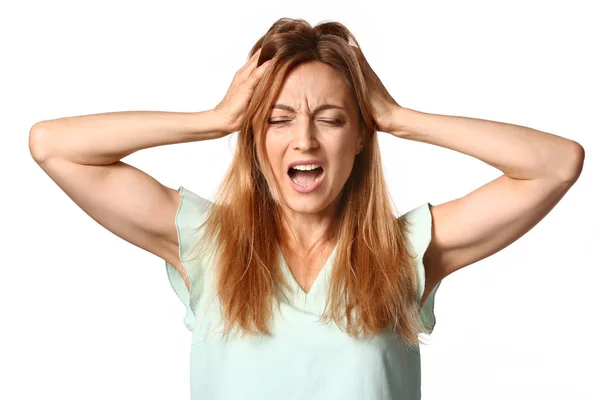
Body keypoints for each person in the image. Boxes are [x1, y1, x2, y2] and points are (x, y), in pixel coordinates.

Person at [29, 17, 584, 400]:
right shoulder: (205, 241)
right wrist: (214, 119)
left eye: (332, 118)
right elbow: (54, 146)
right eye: (278, 118)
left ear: (361, 138)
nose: (305, 140)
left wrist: (396, 115)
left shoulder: (406, 250)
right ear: (254, 138)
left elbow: (556, 164)